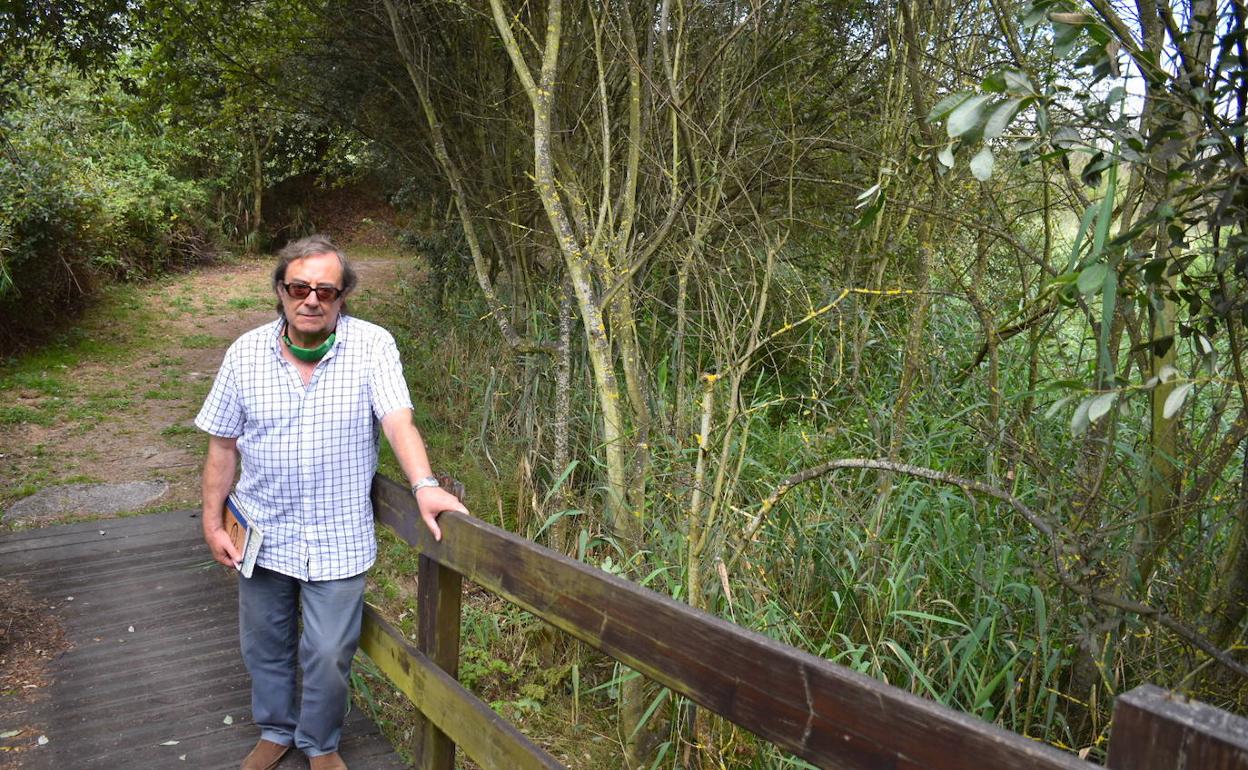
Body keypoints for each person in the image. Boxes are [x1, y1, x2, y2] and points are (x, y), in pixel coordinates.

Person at [195, 235, 468, 770]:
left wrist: (425, 484)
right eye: (299, 287)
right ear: (281, 291)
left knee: (327, 653)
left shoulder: (372, 346)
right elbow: (222, 445)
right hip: (262, 530)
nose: (312, 299)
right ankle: (275, 732)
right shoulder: (245, 353)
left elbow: (398, 420)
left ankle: (319, 744)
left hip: (337, 533)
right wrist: (212, 522)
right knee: (265, 646)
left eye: (326, 290)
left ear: (342, 297)